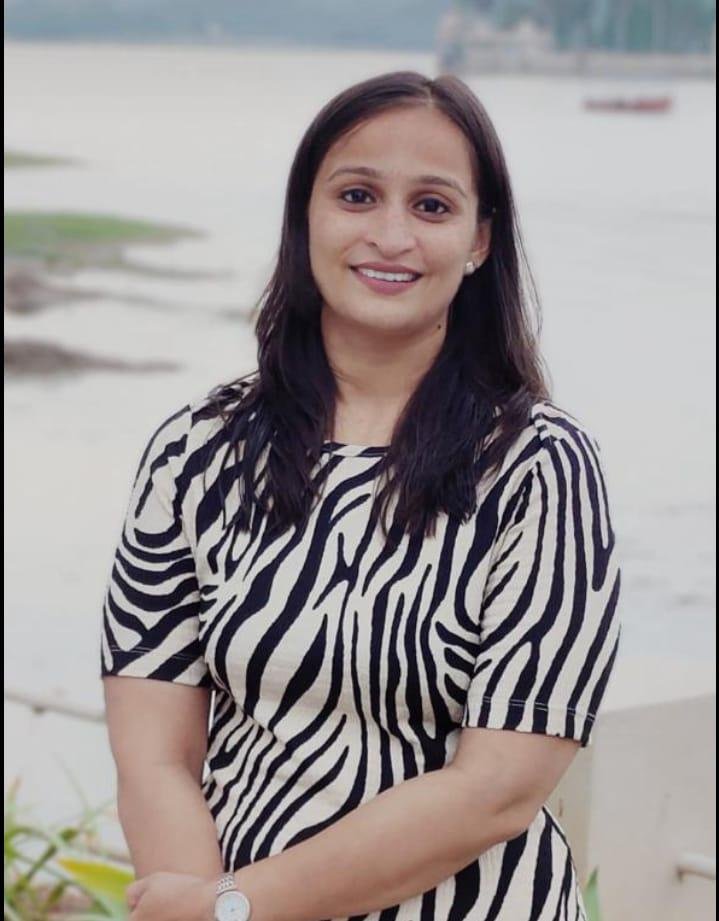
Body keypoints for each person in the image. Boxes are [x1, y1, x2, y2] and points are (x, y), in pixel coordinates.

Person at [101, 71, 621, 921]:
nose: (390, 235)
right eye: (356, 195)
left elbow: (496, 787)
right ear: (305, 215)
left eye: (431, 206)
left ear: (479, 240)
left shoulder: (539, 465)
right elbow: (155, 753)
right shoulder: (196, 451)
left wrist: (235, 906)